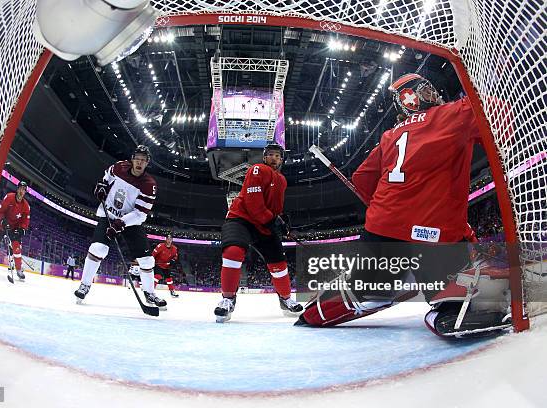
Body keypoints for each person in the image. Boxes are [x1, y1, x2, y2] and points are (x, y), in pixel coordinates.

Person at [298, 73, 509, 337]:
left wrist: (388, 207)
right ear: (410, 98)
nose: (434, 94)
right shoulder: (452, 114)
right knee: (451, 294)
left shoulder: (390, 135)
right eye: (426, 90)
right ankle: (445, 309)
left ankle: (317, 311)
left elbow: (362, 179)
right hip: (432, 235)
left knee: (371, 288)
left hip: (378, 232)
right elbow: (503, 114)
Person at [214, 143, 303, 323]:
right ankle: (228, 299)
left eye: (277, 156)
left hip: (264, 225)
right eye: (270, 155)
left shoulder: (282, 180)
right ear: (264, 157)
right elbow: (253, 201)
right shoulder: (257, 169)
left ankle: (285, 298)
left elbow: (275, 207)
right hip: (241, 219)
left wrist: (281, 221)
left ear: (281, 160)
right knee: (232, 252)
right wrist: (272, 220)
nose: (274, 158)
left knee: (279, 265)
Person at [74, 145, 166, 309]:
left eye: (143, 160)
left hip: (129, 222)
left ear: (147, 163)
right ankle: (85, 285)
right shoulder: (118, 167)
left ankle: (150, 293)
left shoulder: (149, 185)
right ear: (132, 159)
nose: (139, 162)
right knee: (98, 249)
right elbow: (106, 177)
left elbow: (141, 214)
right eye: (137, 158)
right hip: (108, 215)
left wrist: (121, 223)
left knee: (147, 259)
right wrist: (102, 186)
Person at [0, 181, 30, 281]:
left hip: (13, 228)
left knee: (17, 248)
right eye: (21, 188)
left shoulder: (26, 206)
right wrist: (3, 221)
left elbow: (25, 220)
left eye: (24, 189)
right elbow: (0, 212)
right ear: (17, 189)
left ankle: (19, 270)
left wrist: (22, 229)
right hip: (1, 225)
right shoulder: (9, 197)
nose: (22, 191)